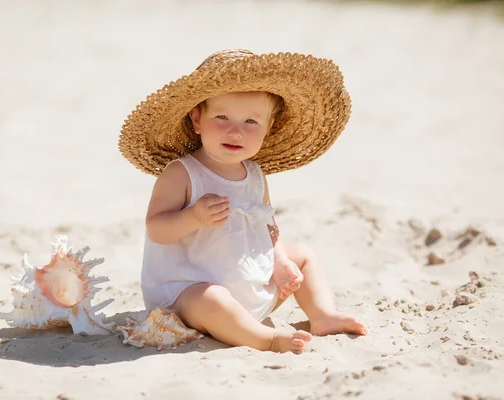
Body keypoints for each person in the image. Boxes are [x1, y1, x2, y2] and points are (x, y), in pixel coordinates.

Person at [119, 49, 366, 354]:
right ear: (197, 119)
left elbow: (268, 225)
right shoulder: (183, 173)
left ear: (268, 128)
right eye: (222, 117)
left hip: (251, 290)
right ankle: (266, 339)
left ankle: (323, 315)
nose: (235, 130)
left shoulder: (254, 175)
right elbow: (156, 229)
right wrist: (193, 217)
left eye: (251, 121)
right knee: (211, 299)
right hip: (188, 297)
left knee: (302, 256)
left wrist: (279, 261)